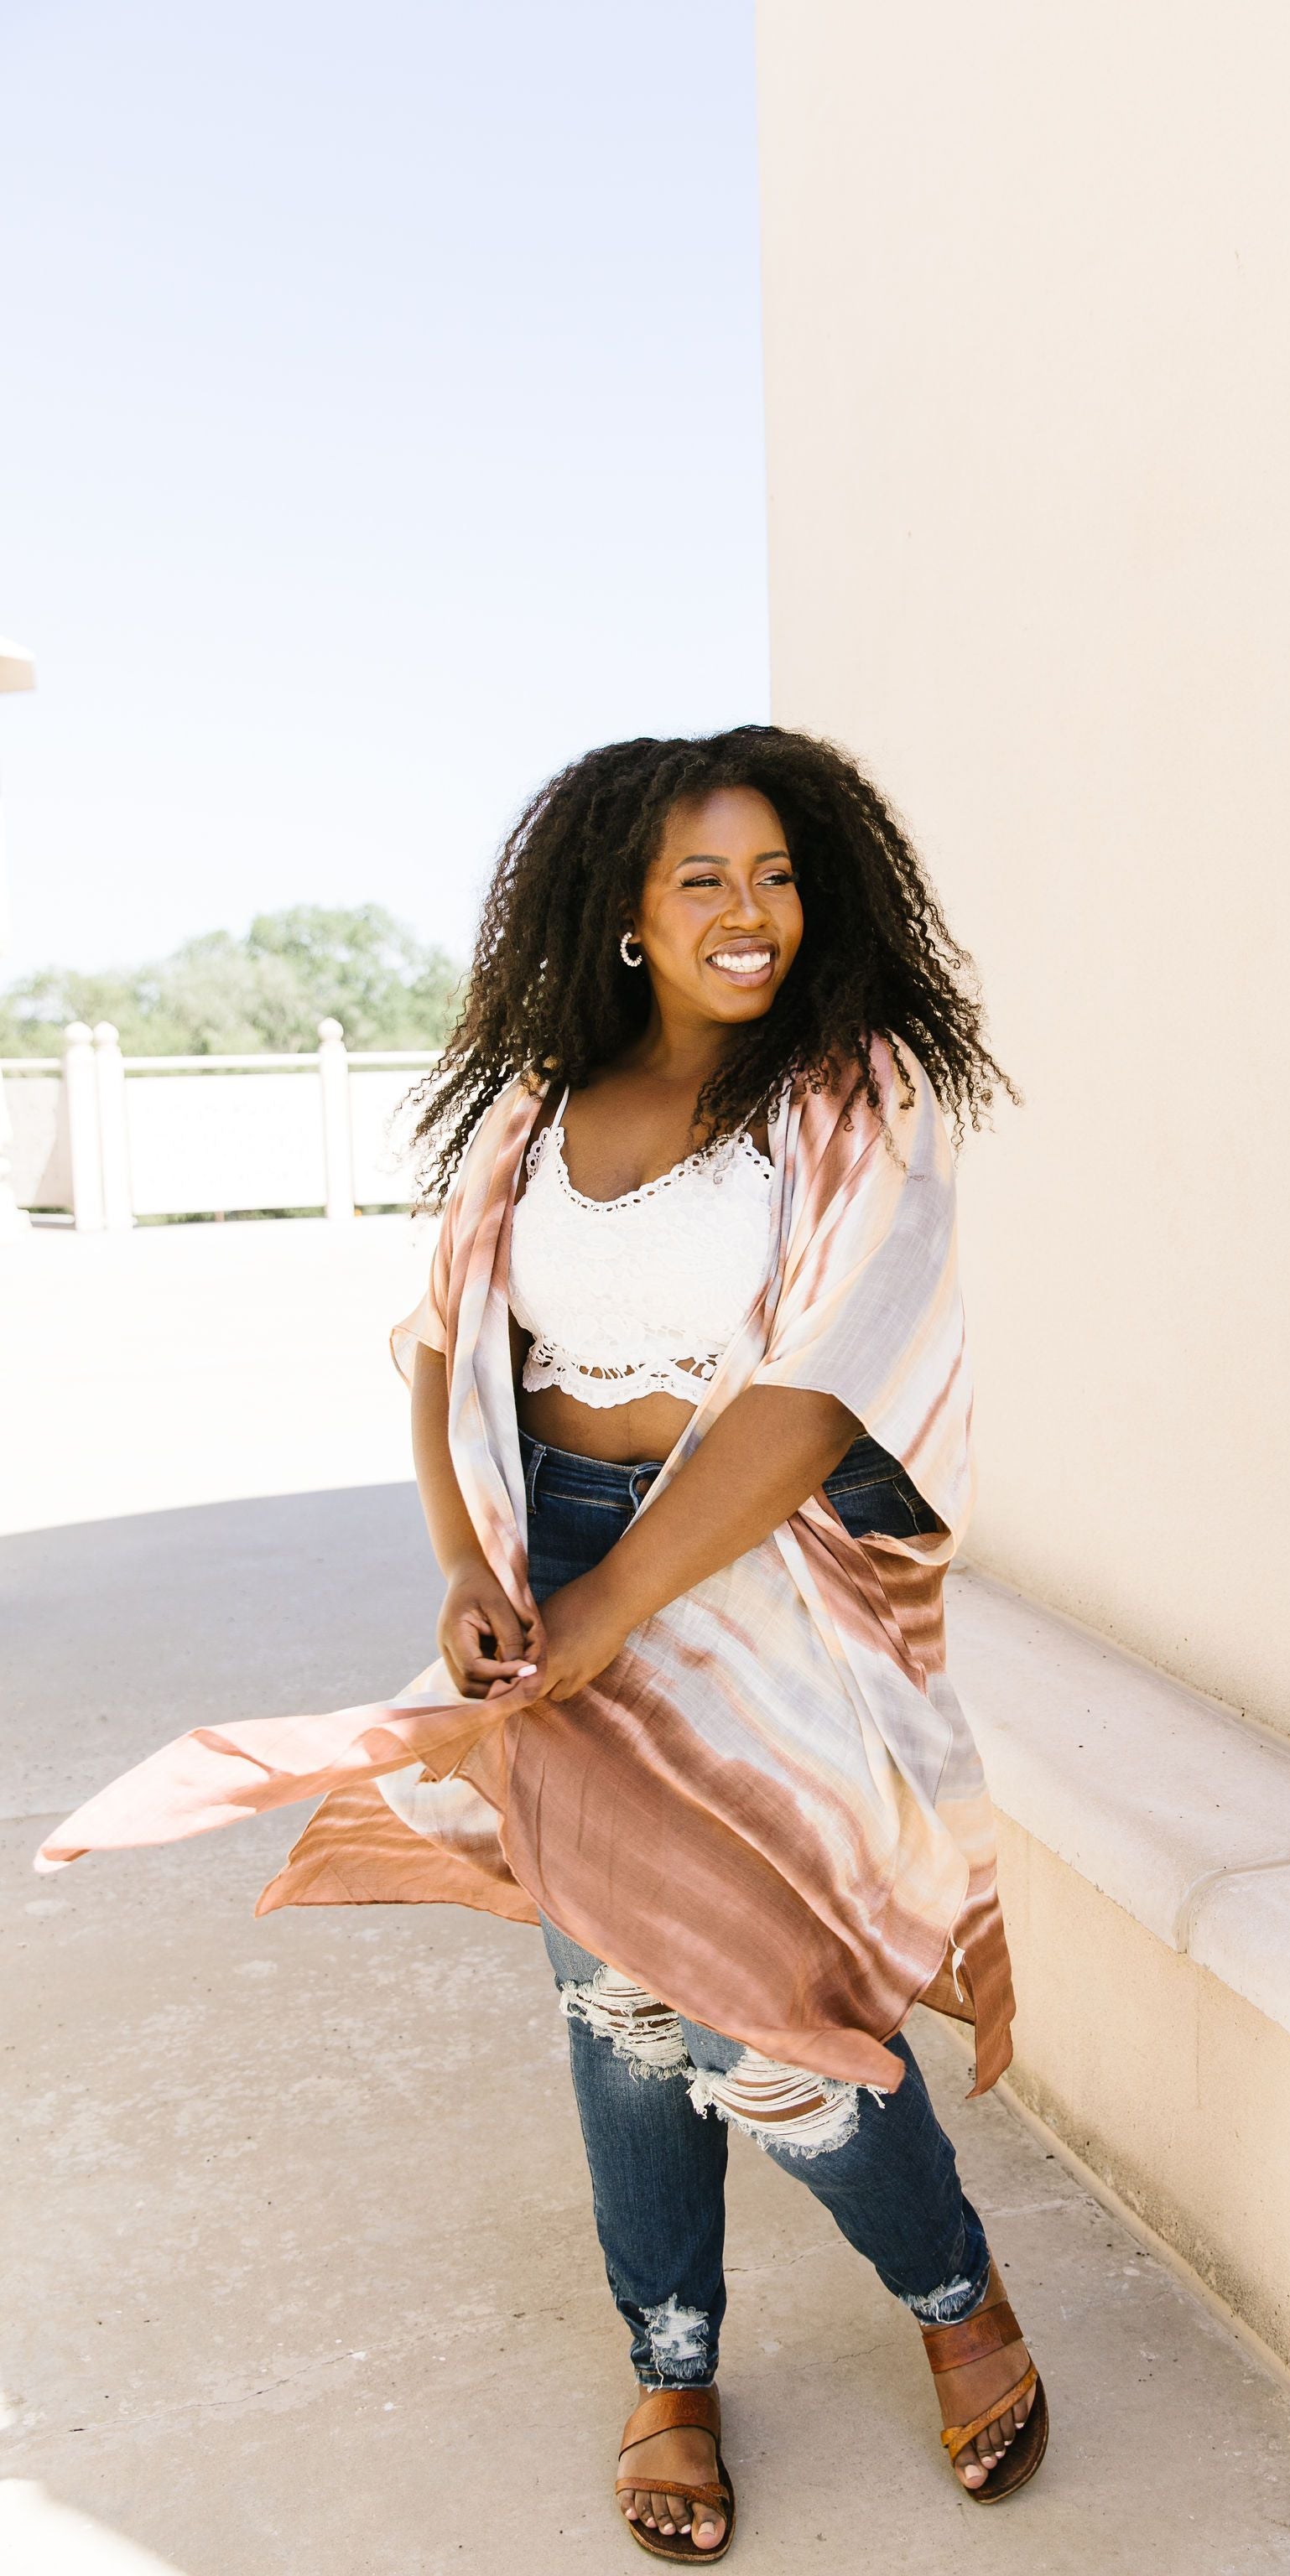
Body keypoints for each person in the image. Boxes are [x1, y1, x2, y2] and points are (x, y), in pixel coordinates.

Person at [37, 724, 1045, 2563]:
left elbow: (815, 1400)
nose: (749, 915)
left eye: (775, 875)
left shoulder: (852, 1094)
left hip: (758, 1585)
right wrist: (468, 1567)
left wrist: (607, 1609)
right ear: (625, 915)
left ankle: (955, 2293)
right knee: (619, 2003)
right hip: (556, 1564)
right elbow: (438, 1346)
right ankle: (669, 2363)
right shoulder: (534, 1107)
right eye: (700, 882)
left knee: (780, 2014)